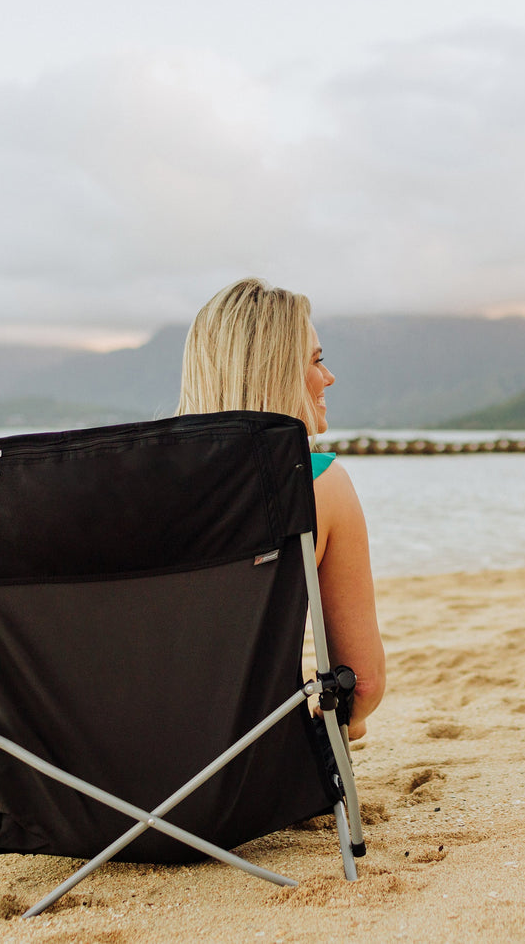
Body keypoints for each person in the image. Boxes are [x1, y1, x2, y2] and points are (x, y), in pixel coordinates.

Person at [178, 277, 386, 738]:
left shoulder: (130, 489)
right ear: (276, 372)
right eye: (316, 360)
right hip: (249, 764)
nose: (328, 377)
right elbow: (363, 685)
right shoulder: (318, 484)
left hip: (93, 773)